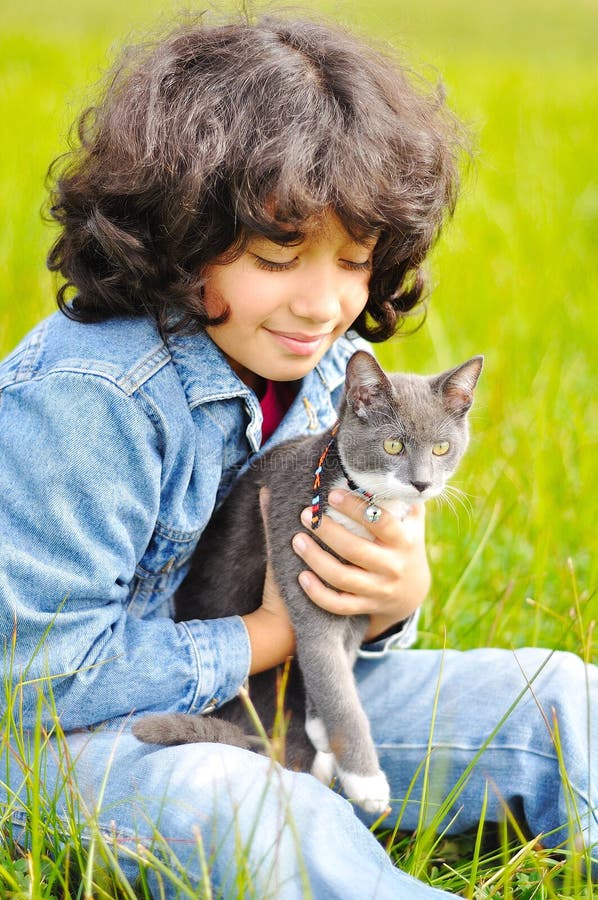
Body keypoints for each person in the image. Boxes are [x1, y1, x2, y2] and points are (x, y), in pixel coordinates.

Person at [0, 12, 595, 898]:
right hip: (60, 746)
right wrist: (266, 634)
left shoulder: (318, 369)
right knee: (258, 810)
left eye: (355, 261)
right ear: (178, 228)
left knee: (558, 700)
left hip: (264, 704)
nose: (325, 304)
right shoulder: (93, 398)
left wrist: (391, 601)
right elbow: (38, 684)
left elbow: (327, 594)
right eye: (282, 255)